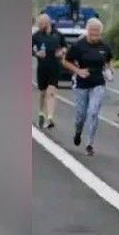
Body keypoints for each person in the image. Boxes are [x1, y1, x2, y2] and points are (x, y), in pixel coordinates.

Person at [62, 18, 113, 155]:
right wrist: (78, 71)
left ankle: (90, 144)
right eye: (92, 30)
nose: (94, 33)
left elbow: (107, 61)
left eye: (97, 31)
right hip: (81, 84)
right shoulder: (79, 46)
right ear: (88, 30)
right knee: (81, 115)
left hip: (98, 83)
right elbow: (66, 62)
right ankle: (78, 131)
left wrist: (108, 72)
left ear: (101, 32)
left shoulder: (105, 47)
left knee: (93, 112)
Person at [31, 14, 68, 129]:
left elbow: (65, 46)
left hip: (55, 66)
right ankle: (41, 113)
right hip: (42, 67)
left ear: (47, 23)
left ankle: (50, 117)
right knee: (43, 92)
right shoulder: (36, 36)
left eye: (41, 23)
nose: (39, 26)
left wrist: (62, 52)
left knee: (51, 92)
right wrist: (36, 53)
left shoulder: (58, 35)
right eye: (38, 24)